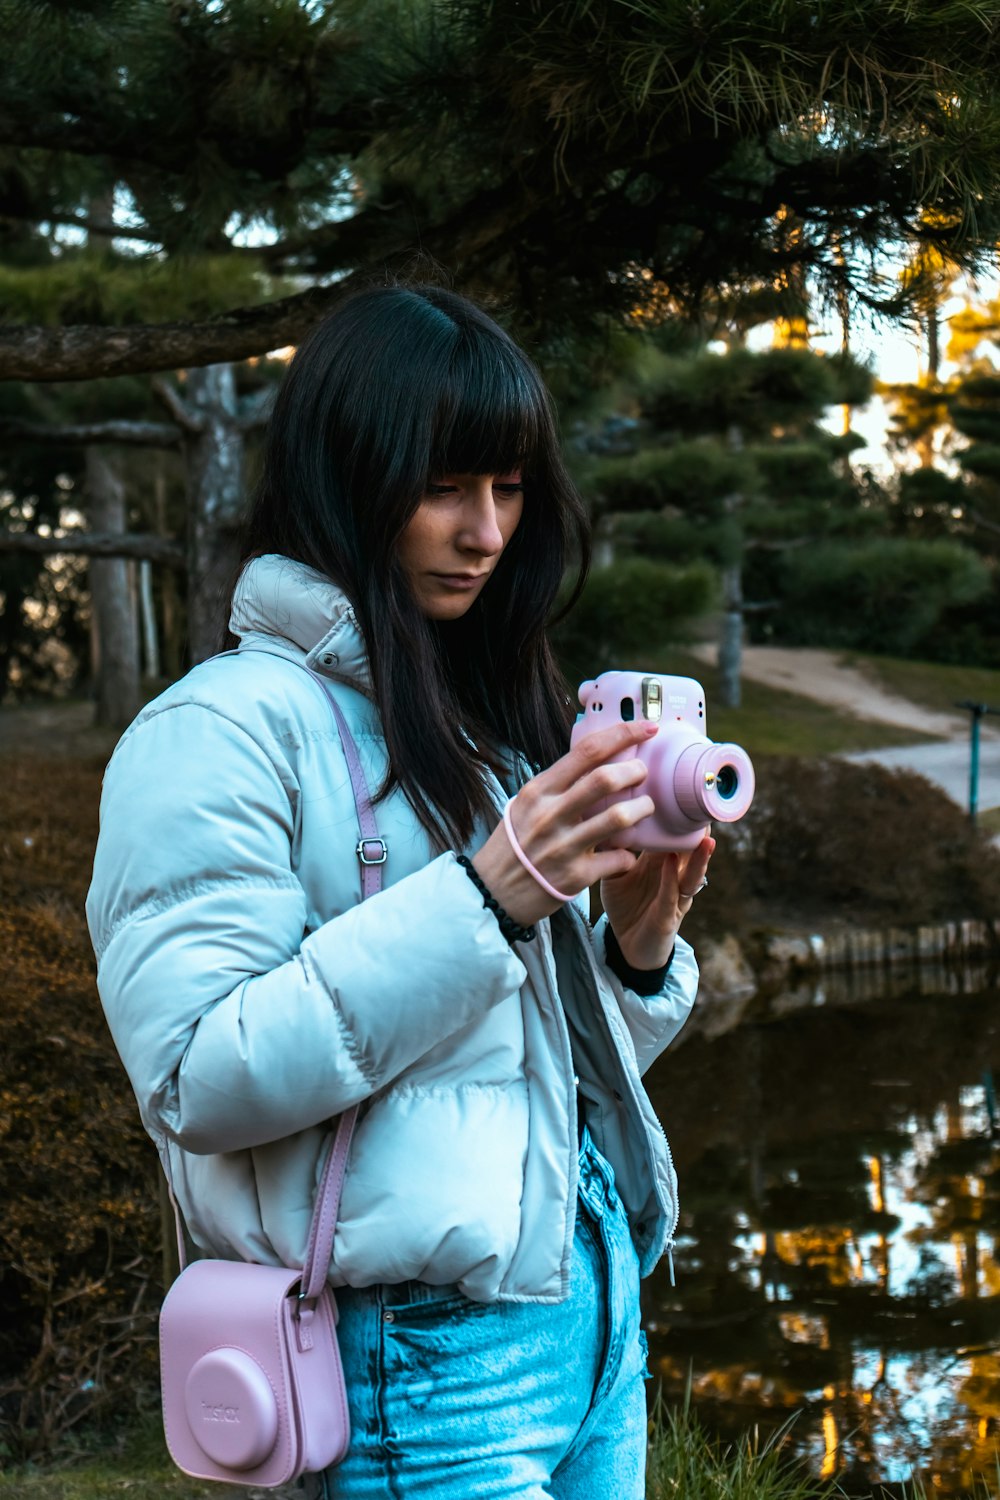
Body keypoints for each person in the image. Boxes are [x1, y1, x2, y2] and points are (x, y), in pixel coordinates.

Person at [86, 282, 714, 1499]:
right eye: (444, 486)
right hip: (413, 1361)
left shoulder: (483, 724)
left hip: (587, 1320)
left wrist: (632, 958)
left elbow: (507, 1080)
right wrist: (488, 899)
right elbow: (196, 1077)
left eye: (511, 487)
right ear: (347, 477)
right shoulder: (216, 733)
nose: (486, 532)